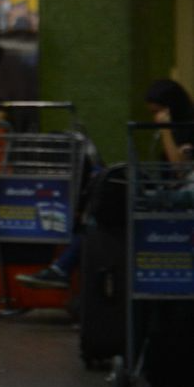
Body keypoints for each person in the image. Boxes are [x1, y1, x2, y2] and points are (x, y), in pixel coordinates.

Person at [19, 79, 194, 288]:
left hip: (176, 202)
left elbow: (178, 170)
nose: (155, 118)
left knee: (103, 218)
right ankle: (66, 271)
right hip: (165, 196)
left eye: (158, 112)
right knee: (100, 211)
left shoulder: (185, 131)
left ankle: (63, 269)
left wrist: (166, 130)